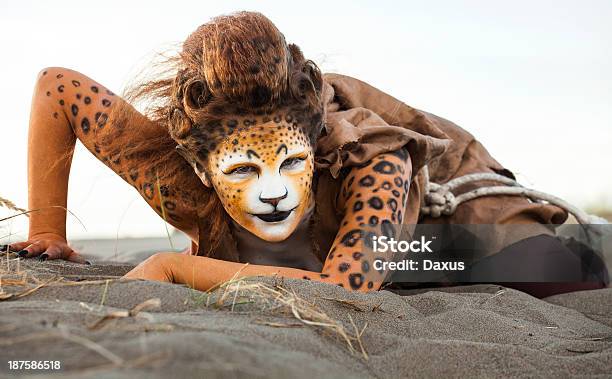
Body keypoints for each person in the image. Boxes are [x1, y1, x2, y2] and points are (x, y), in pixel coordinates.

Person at [9, 12, 608, 297]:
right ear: (199, 167)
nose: (274, 191)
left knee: (558, 276)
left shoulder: (374, 159)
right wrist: (47, 230)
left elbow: (342, 293)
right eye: (243, 170)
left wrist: (177, 267)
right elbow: (55, 88)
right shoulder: (180, 170)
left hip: (454, 213)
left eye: (289, 164)